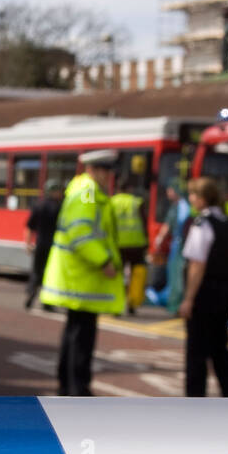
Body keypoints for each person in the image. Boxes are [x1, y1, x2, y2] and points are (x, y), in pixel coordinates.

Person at [40, 149, 125, 396]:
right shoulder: (87, 193)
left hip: (78, 276)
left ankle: (68, 385)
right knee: (81, 338)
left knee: (75, 332)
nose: (109, 176)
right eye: (106, 171)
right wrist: (104, 261)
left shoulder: (85, 191)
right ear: (94, 170)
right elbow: (81, 234)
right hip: (81, 277)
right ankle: (78, 388)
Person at [179, 177, 228, 397]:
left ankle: (195, 402)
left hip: (205, 294)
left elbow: (197, 265)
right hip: (225, 293)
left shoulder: (202, 223)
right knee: (220, 349)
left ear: (202, 199)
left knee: (196, 353)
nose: (190, 199)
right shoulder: (227, 222)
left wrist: (188, 298)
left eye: (192, 195)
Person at [110, 173, 150, 315]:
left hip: (118, 245)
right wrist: (147, 241)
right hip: (137, 244)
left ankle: (117, 305)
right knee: (136, 275)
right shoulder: (137, 202)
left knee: (118, 275)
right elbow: (144, 222)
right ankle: (132, 304)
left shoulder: (112, 202)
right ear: (130, 189)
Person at [151, 184, 193, 313]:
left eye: (170, 190)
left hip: (179, 245)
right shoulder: (185, 206)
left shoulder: (177, 208)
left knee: (176, 276)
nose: (168, 193)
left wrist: (158, 240)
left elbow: (167, 226)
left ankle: (176, 305)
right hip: (184, 244)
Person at [24, 177, 64, 310]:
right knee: (50, 274)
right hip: (54, 246)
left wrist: (28, 243)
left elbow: (30, 226)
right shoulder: (60, 207)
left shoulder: (39, 205)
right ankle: (47, 303)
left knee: (36, 271)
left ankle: (31, 292)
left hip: (40, 244)